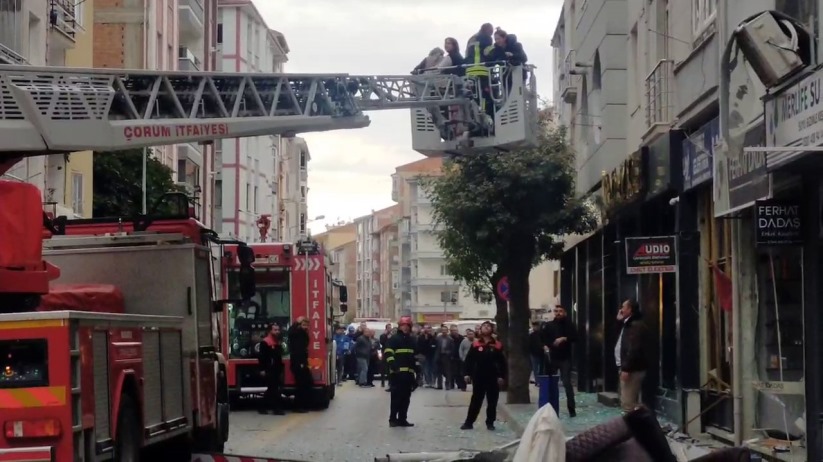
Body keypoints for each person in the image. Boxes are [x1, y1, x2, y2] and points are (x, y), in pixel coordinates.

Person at [461, 321, 506, 431]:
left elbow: (502, 362)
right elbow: (469, 360)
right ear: (480, 330)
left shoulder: (497, 344)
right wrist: (467, 373)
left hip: (493, 376)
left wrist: (502, 376)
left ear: (492, 329)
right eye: (484, 326)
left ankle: (490, 423)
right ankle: (469, 422)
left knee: (492, 401)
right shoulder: (476, 344)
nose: (486, 328)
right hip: (479, 376)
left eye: (488, 326)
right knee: (476, 400)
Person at [616, 299, 650, 412]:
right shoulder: (628, 324)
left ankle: (632, 428)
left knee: (628, 403)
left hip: (632, 369)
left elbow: (634, 349)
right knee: (627, 401)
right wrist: (619, 321)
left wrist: (626, 368)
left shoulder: (635, 325)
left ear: (630, 310)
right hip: (628, 367)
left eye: (623, 307)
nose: (621, 309)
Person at [384, 316, 417, 427]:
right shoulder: (394, 339)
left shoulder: (412, 340)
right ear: (400, 326)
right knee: (396, 398)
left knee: (406, 398)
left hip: (408, 374)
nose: (405, 328)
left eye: (407, 326)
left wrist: (416, 373)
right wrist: (393, 366)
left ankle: (403, 419)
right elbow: (388, 353)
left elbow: (414, 357)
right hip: (397, 374)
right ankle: (393, 419)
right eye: (403, 325)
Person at [545, 305, 578, 417]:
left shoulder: (569, 325)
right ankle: (551, 408)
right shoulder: (549, 325)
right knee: (551, 384)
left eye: (560, 311)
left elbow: (575, 337)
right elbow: (543, 338)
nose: (558, 313)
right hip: (553, 357)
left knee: (567, 383)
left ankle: (572, 409)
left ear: (565, 312)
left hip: (565, 358)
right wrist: (547, 345)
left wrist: (564, 338)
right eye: (556, 311)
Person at [258, 323, 285, 415]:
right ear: (270, 331)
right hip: (269, 369)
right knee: (274, 389)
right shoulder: (265, 342)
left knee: (271, 389)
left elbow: (279, 357)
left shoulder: (277, 342)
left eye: (278, 330)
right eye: (275, 330)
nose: (277, 332)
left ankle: (262, 407)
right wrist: (262, 369)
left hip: (276, 369)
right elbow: (262, 358)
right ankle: (276, 409)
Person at [287, 317, 312, 412]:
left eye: (307, 325)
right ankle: (298, 406)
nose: (306, 327)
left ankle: (303, 404)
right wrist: (301, 363)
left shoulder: (303, 334)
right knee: (301, 385)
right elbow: (298, 350)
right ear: (299, 326)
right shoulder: (297, 333)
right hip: (298, 362)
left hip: (302, 362)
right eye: (303, 325)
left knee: (306, 383)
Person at [434, 326, 455, 390]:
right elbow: (435, 347)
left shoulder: (450, 339)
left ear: (447, 331)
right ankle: (439, 385)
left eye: (445, 330)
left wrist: (449, 353)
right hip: (439, 356)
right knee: (439, 371)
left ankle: (447, 385)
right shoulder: (438, 338)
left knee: (447, 371)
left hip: (446, 357)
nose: (444, 331)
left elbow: (452, 349)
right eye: (443, 330)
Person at [449, 325, 466, 391]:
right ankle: (451, 384)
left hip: (460, 357)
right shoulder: (449, 338)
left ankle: (461, 385)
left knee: (460, 372)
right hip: (451, 357)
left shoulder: (461, 338)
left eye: (455, 330)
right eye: (452, 330)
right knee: (452, 372)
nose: (454, 332)